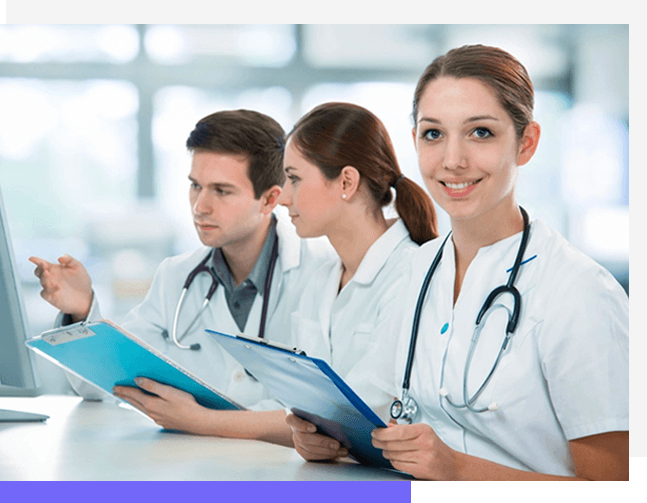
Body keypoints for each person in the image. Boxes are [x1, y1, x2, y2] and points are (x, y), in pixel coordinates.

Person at [295, 44, 629, 480]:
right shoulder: (419, 268)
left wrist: (458, 468)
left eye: (481, 133)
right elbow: (375, 408)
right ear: (414, 139)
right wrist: (327, 437)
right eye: (433, 134)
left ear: (526, 143)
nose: (453, 160)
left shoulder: (579, 292)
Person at [105, 102, 438, 448]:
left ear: (346, 182)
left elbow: (364, 417)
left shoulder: (414, 275)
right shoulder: (324, 279)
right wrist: (312, 441)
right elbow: (310, 413)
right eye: (195, 186)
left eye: (293, 179)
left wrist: (198, 420)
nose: (283, 197)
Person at [30, 109, 335, 413]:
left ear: (270, 199)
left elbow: (329, 410)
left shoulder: (323, 272)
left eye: (221, 191)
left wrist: (202, 420)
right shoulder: (176, 276)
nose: (200, 206)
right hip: (189, 458)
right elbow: (106, 387)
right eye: (195, 186)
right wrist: (81, 310)